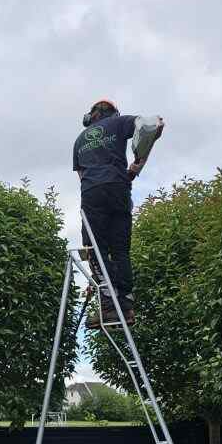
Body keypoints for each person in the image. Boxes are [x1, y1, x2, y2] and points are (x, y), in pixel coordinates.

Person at [73, 98, 164, 328]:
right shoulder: (119, 123)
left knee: (94, 248)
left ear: (91, 116)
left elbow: (82, 177)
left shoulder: (79, 140)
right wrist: (136, 165)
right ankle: (125, 304)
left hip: (93, 192)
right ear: (113, 113)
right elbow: (155, 124)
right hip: (119, 188)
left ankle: (108, 304)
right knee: (120, 249)